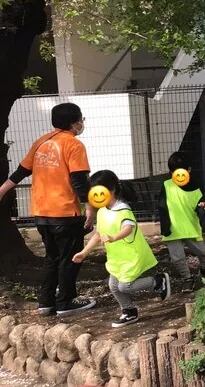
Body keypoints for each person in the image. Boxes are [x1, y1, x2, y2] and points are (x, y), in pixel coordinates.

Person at [0, 103, 96, 316]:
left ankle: (46, 302)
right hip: (65, 213)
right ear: (74, 122)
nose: (82, 123)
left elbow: (21, 171)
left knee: (52, 257)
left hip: (41, 213)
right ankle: (65, 303)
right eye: (81, 119)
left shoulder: (41, 142)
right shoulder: (73, 145)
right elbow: (79, 181)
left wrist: (2, 190)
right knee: (71, 257)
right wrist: (90, 208)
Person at [73, 170, 171, 328]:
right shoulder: (103, 211)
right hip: (116, 258)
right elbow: (98, 235)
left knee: (125, 286)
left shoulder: (123, 209)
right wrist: (84, 253)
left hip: (131, 256)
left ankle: (157, 281)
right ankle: (129, 311)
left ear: (111, 190)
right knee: (113, 286)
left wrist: (113, 238)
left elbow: (128, 228)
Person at [158, 152, 205, 292]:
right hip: (172, 229)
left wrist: (203, 208)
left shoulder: (196, 188)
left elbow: (200, 205)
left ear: (189, 170)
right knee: (177, 258)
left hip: (191, 227)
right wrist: (165, 226)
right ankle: (187, 279)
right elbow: (162, 206)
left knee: (202, 253)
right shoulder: (167, 185)